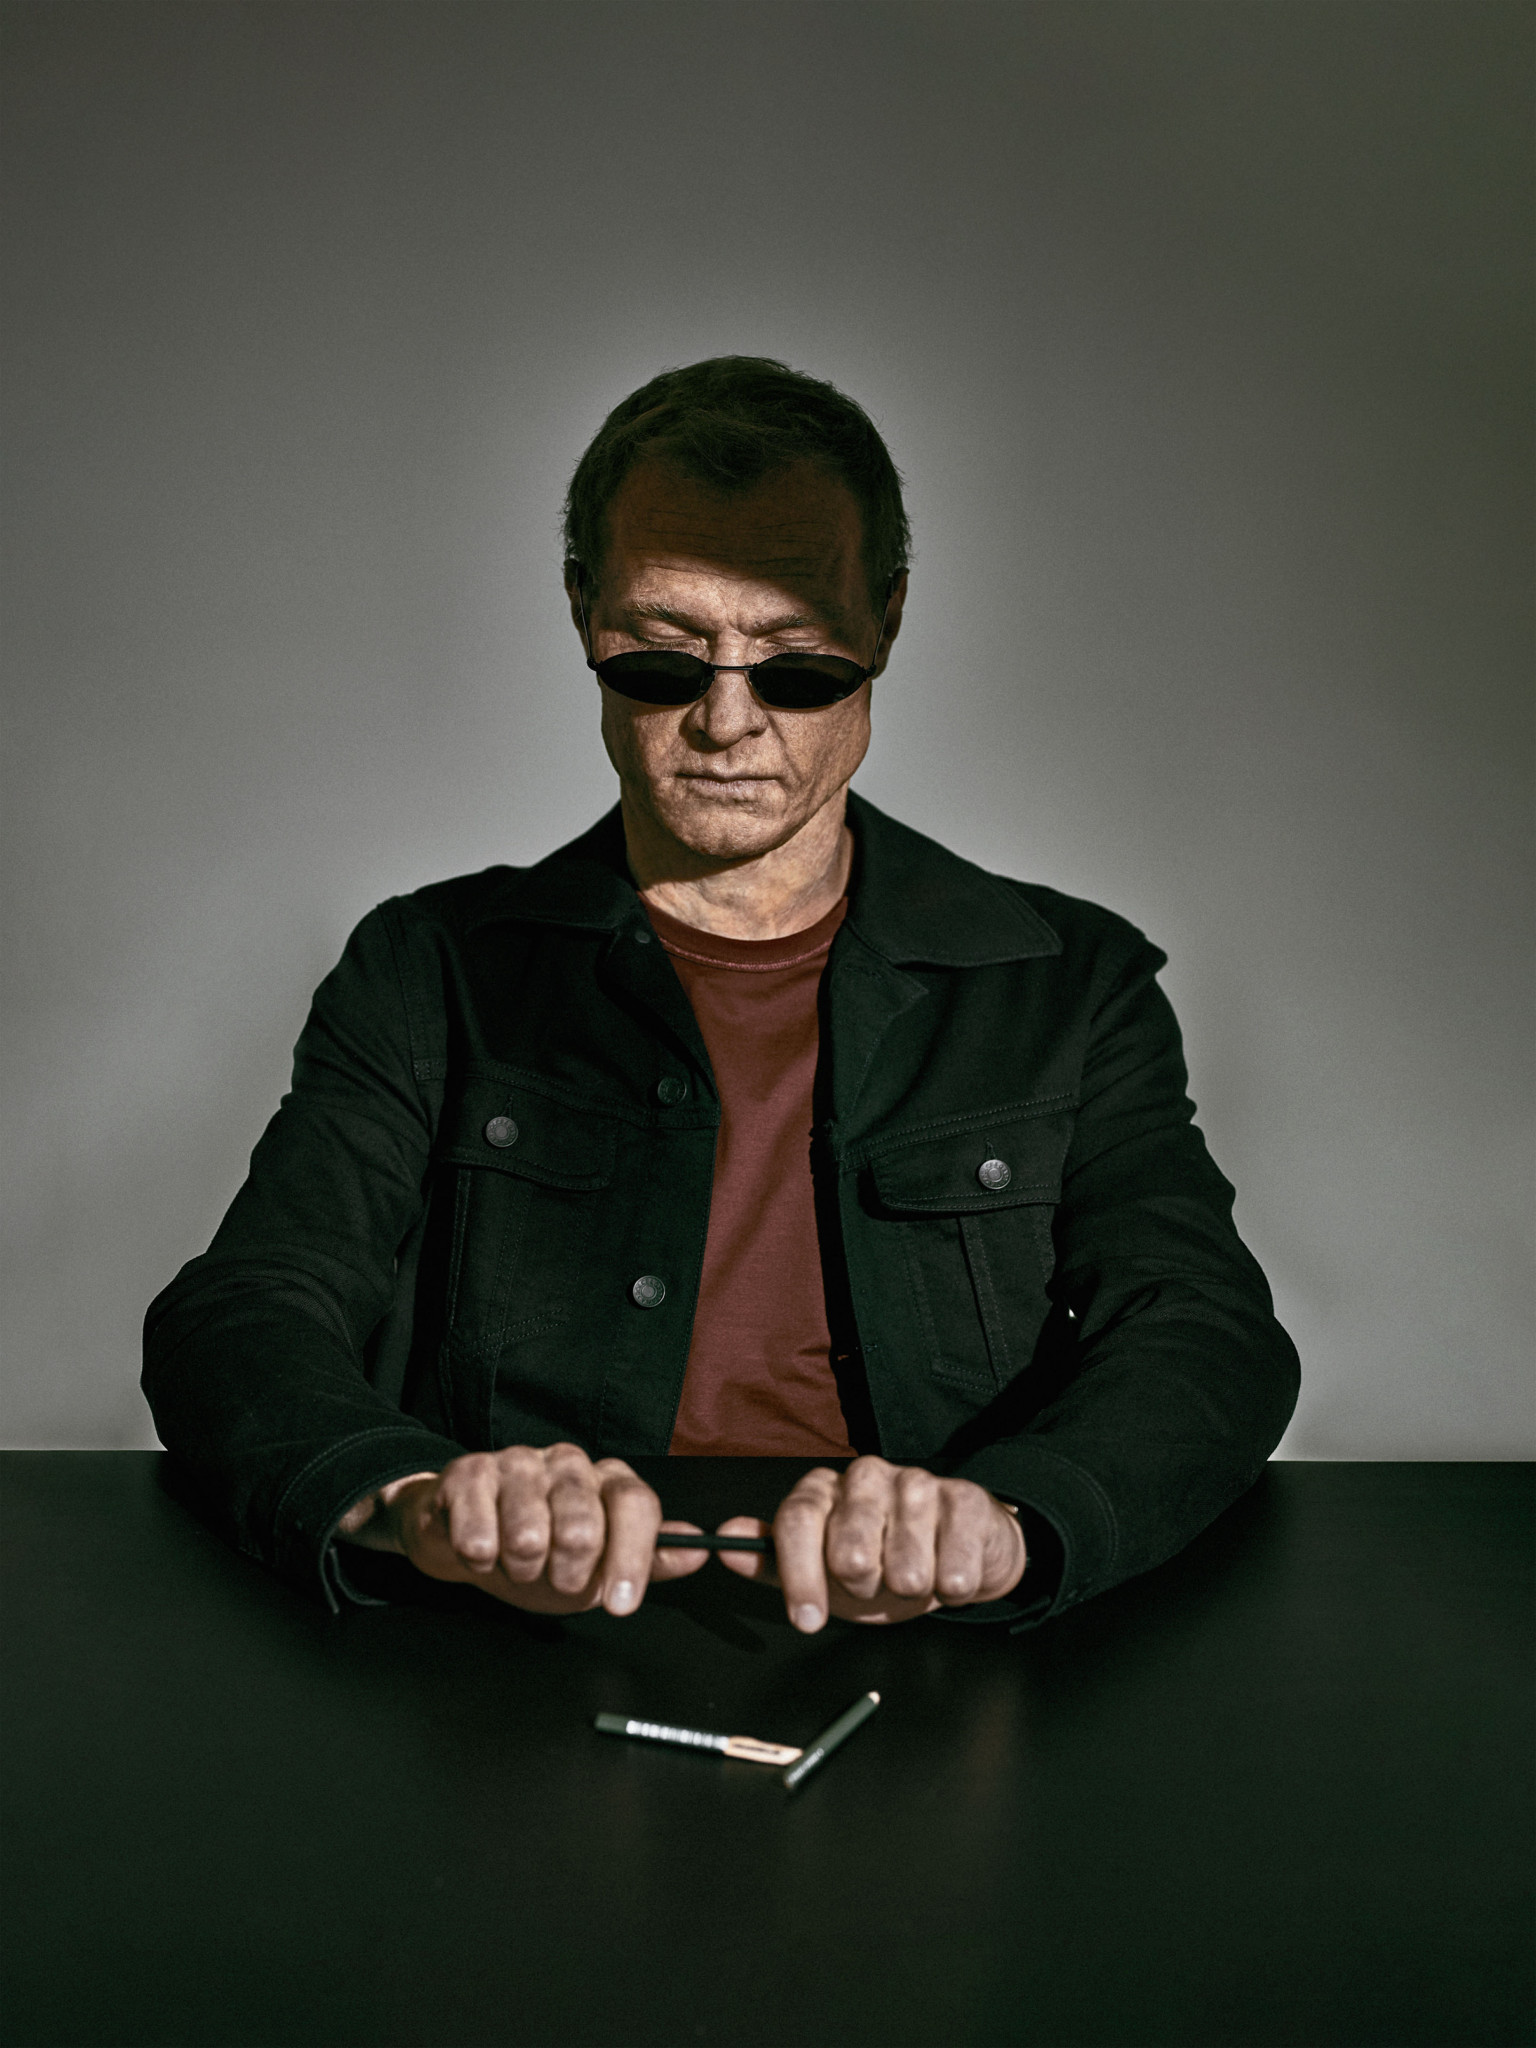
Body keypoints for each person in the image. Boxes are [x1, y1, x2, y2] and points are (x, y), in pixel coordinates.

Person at [143, 356, 1299, 1634]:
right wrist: (413, 1498)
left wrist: (1011, 1521)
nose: (726, 722)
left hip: (937, 1650)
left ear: (886, 623)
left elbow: (1204, 1330)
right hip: (517, 1650)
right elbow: (244, 1312)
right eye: (663, 657)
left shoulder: (1067, 984)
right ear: (583, 611)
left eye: (797, 664)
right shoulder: (429, 968)